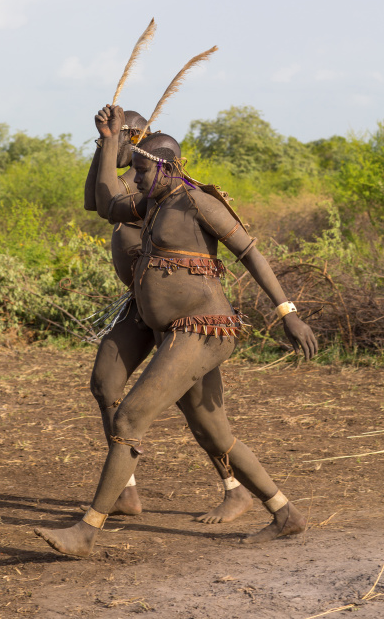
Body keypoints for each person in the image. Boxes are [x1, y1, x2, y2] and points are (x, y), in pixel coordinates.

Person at [35, 105, 317, 558]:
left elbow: (249, 253)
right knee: (214, 433)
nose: (138, 180)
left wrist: (288, 312)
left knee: (129, 419)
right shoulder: (154, 200)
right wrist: (108, 142)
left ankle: (87, 531)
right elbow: (105, 203)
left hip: (203, 330)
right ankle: (285, 514)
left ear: (162, 165)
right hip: (172, 330)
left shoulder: (196, 201)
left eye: (143, 170)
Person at [84, 110, 253, 522]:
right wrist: (106, 142)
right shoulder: (132, 176)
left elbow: (104, 201)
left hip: (176, 311)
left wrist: (113, 143)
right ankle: (125, 491)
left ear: (138, 140)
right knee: (105, 383)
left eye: (116, 140)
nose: (106, 147)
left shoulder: (147, 182)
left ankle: (236, 489)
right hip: (138, 304)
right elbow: (93, 200)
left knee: (197, 409)